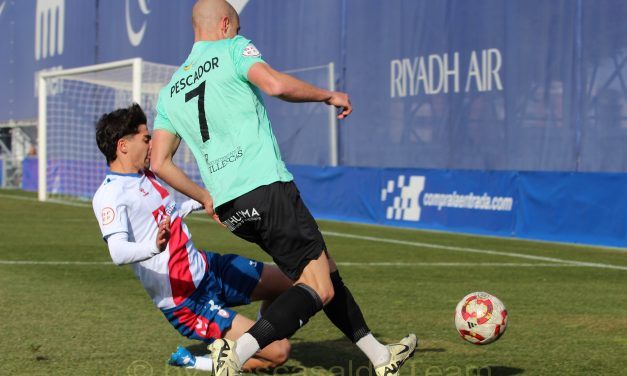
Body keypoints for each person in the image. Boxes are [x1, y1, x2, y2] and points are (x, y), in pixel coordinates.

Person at [150, 1, 417, 375]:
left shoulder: (170, 90)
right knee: (318, 288)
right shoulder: (233, 48)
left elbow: (159, 162)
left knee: (324, 270)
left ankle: (379, 356)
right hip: (266, 188)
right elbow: (274, 84)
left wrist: (205, 197)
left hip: (231, 208)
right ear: (225, 24)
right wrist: (328, 95)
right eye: (235, 27)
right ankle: (238, 353)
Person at [91, 104, 293, 372]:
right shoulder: (110, 195)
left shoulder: (148, 174)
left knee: (292, 283)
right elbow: (117, 252)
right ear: (123, 146)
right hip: (187, 300)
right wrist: (154, 246)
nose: (152, 144)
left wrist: (200, 203)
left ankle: (257, 334)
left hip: (209, 269)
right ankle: (197, 362)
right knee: (280, 352)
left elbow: (171, 209)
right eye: (146, 138)